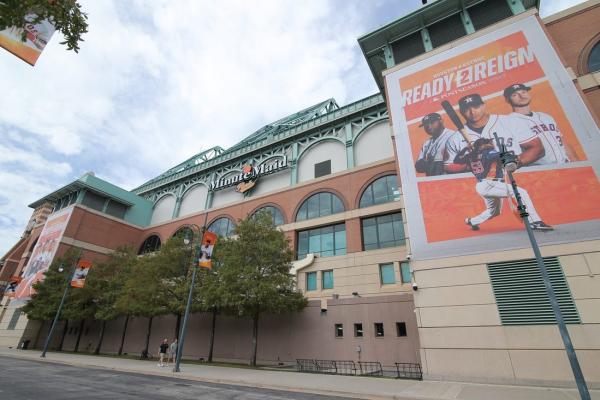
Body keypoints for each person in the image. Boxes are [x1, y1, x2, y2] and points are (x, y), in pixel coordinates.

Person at [453, 138, 553, 231]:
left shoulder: (470, 156)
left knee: (494, 212)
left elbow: (456, 160)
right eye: (489, 142)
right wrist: (509, 157)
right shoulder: (488, 152)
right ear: (483, 145)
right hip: (491, 183)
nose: (492, 144)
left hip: (483, 186)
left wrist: (466, 148)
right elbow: (503, 155)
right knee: (520, 193)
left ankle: (471, 221)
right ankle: (534, 221)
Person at [444, 93, 545, 174]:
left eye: (476, 106)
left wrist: (517, 161)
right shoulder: (454, 139)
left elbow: (538, 148)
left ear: (483, 106)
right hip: (482, 184)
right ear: (461, 112)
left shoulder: (509, 122)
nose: (472, 111)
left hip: (517, 176)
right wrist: (468, 166)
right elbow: (447, 166)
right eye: (467, 109)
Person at [503, 83, 572, 165]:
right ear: (508, 100)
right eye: (515, 95)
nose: (521, 96)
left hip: (567, 166)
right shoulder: (509, 122)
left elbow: (563, 142)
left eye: (523, 92)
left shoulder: (546, 117)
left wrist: (576, 162)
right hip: (544, 171)